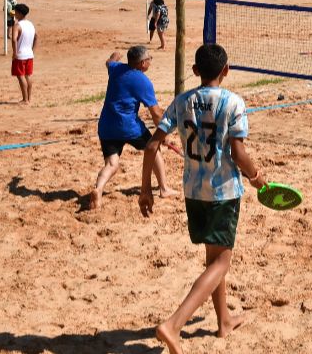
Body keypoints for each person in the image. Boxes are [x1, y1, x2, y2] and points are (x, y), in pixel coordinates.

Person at [139, 44, 267, 353]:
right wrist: (256, 176)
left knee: (213, 259)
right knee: (222, 262)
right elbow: (238, 153)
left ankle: (223, 321)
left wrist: (146, 190)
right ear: (226, 70)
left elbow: (151, 147)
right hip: (223, 191)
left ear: (195, 71)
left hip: (194, 192)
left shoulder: (182, 102)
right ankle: (173, 324)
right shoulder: (233, 103)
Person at [91, 46, 176, 209]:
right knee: (154, 147)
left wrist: (114, 56)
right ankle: (164, 188)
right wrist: (163, 134)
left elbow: (109, 62)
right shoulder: (142, 81)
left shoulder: (116, 69)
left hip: (106, 125)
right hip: (129, 126)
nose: (150, 61)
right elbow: (156, 113)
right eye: (149, 59)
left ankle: (98, 189)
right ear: (143, 63)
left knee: (112, 163)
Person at [10, 3, 36, 103]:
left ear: (19, 13)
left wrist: (15, 52)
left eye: (15, 12)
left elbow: (13, 39)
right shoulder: (30, 24)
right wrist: (32, 50)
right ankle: (29, 98)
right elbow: (36, 37)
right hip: (29, 54)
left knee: (20, 76)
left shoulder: (17, 25)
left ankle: (25, 99)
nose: (15, 14)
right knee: (28, 75)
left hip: (20, 55)